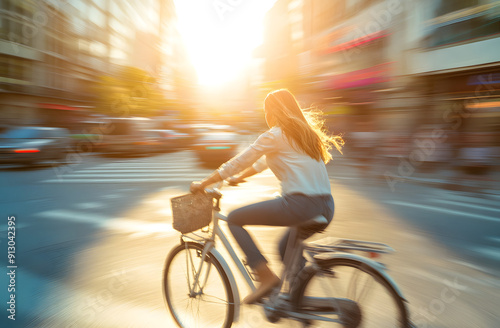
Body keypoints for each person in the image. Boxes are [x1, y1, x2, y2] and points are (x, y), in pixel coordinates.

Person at [190, 89, 343, 304]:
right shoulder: (305, 135)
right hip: (326, 206)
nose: (266, 115)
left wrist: (204, 183)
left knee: (234, 219)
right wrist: (239, 178)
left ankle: (266, 277)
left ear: (273, 111)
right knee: (284, 249)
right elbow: (261, 163)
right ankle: (298, 304)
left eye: (266, 110)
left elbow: (240, 160)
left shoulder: (276, 135)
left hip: (300, 205)